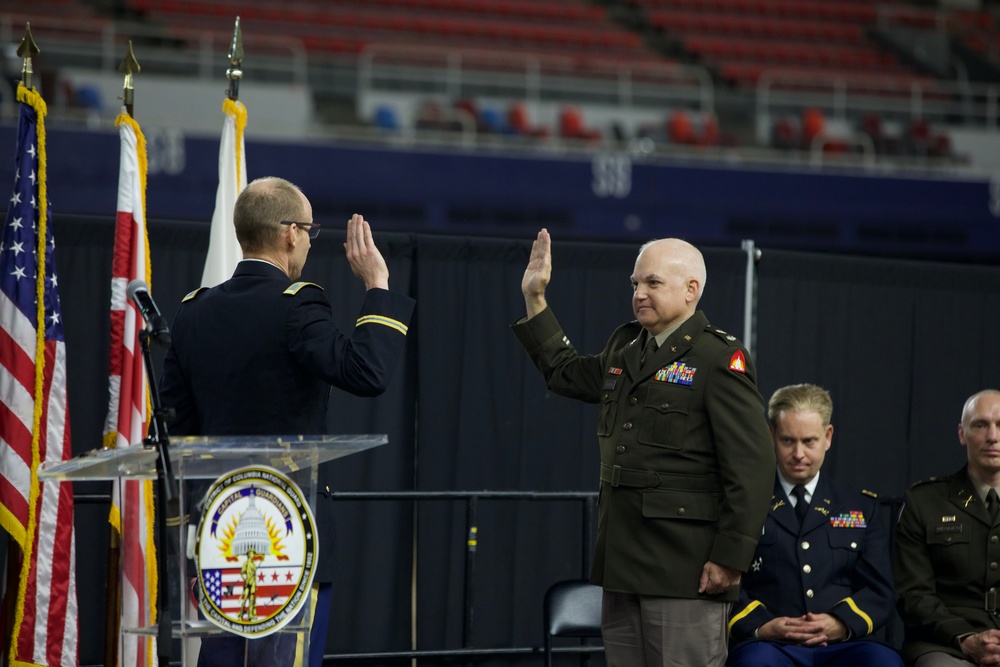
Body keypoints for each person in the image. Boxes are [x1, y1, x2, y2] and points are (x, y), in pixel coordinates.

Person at [159, 176, 415, 667]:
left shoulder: (192, 312)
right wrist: (377, 285)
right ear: (290, 233)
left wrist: (189, 537)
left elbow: (175, 432)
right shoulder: (297, 303)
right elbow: (366, 372)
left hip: (219, 533)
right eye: (310, 231)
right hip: (287, 532)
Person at [511, 229, 774, 666]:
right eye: (635, 283)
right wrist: (535, 298)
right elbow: (565, 373)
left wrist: (731, 559)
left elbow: (753, 468)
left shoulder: (718, 359)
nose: (639, 293)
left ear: (691, 290)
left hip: (684, 569)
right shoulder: (625, 345)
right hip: (622, 564)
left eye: (652, 283)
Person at [728, 383, 903, 666]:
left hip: (843, 643)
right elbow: (728, 581)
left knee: (883, 663)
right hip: (771, 644)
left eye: (809, 441)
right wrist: (763, 625)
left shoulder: (859, 507)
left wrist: (840, 623)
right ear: (771, 435)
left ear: (828, 436)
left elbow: (880, 590)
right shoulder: (744, 504)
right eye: (788, 441)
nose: (798, 453)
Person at [895, 389, 1000, 667]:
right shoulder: (924, 502)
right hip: (945, 643)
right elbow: (913, 595)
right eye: (980, 425)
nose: (993, 437)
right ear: (962, 433)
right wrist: (964, 637)